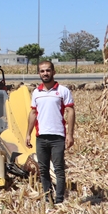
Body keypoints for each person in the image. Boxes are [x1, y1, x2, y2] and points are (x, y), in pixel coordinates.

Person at [26, 60, 75, 205]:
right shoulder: (36, 92)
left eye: (48, 70)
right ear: (39, 73)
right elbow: (33, 113)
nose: (45, 73)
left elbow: (70, 112)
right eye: (42, 71)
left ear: (53, 72)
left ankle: (59, 199)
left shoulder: (63, 91)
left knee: (59, 168)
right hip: (41, 137)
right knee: (43, 169)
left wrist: (70, 134)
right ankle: (48, 197)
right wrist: (28, 133)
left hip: (58, 136)